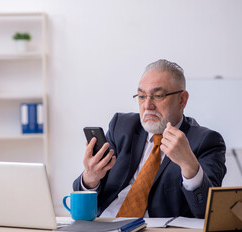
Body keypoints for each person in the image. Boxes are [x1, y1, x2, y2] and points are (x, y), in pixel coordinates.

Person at [73, 59, 226, 218]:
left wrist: (189, 165)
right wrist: (90, 177)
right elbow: (81, 194)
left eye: (158, 96)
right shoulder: (122, 127)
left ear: (182, 100)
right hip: (105, 226)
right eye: (141, 96)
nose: (147, 105)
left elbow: (209, 212)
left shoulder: (206, 141)